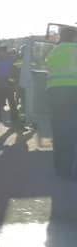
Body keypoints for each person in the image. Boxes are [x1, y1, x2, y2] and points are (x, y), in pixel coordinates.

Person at [46, 26, 77, 178]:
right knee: (73, 131)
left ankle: (61, 169)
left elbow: (48, 66)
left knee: (59, 131)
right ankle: (72, 168)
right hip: (74, 92)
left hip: (56, 93)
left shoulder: (55, 51)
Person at [0, 46, 21, 129]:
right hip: (0, 85)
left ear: (4, 52)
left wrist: (13, 80)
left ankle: (14, 121)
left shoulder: (10, 60)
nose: (0, 53)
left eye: (1, 52)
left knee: (12, 103)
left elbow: (15, 71)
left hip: (8, 84)